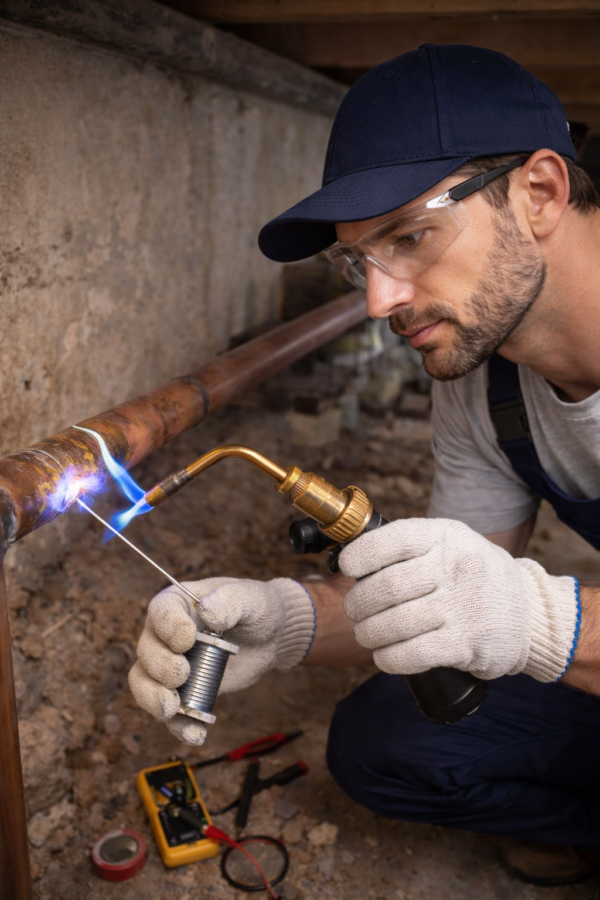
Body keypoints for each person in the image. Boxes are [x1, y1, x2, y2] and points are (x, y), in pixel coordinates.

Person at [128, 45, 600, 886]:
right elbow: (449, 599)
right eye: (359, 260)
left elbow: (522, 614)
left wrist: (546, 625)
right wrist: (287, 623)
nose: (378, 300)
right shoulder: (482, 380)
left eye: (410, 236)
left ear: (541, 193)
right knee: (390, 738)